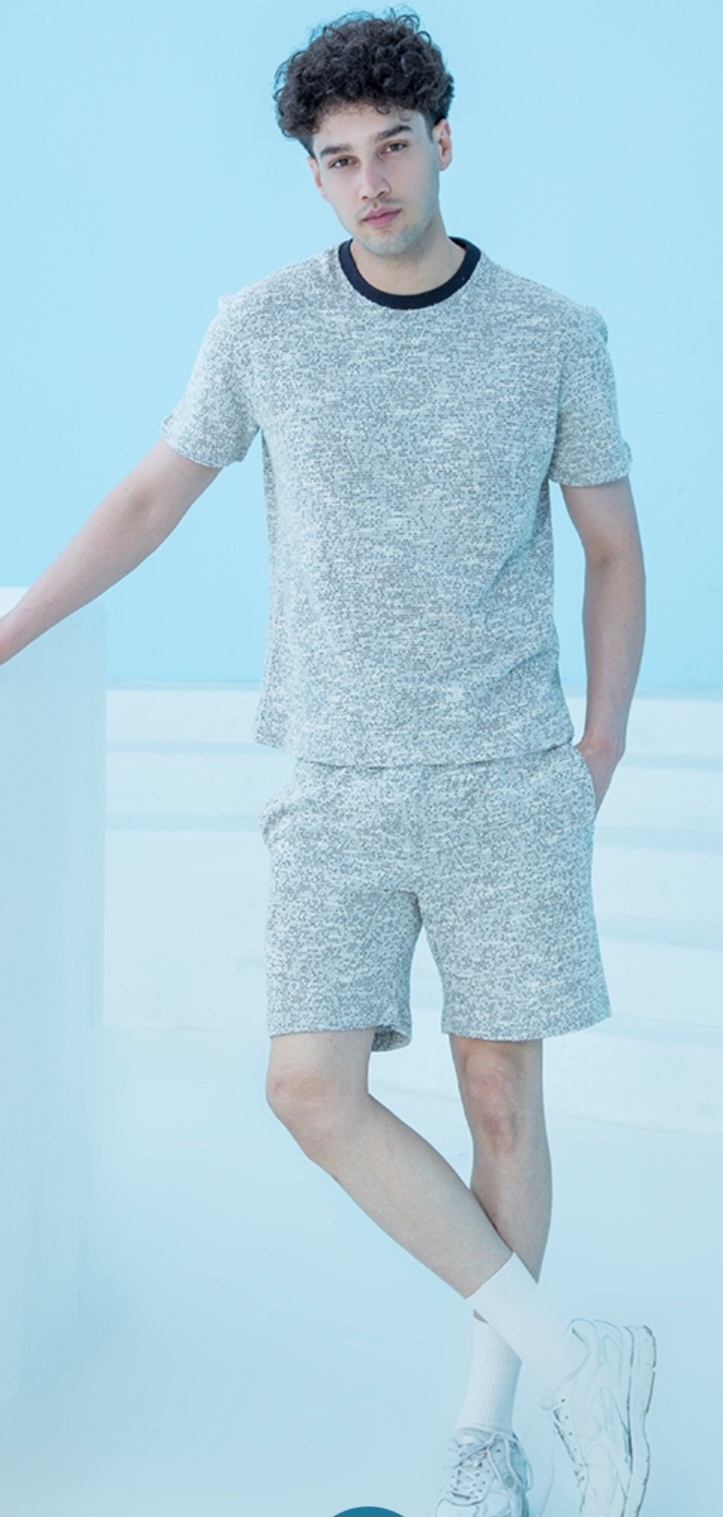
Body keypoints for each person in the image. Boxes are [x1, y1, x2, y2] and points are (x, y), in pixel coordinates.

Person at [0, 9, 655, 1515]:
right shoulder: (261, 326)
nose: (371, 182)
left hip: (506, 778)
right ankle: (579, 1362)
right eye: (339, 159)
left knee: (503, 1102)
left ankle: (485, 1444)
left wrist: (602, 744)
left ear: (444, 142)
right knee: (309, 1089)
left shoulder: (554, 333)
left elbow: (614, 551)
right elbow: (152, 498)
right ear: (312, 172)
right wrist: (14, 628)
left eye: (393, 148)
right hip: (338, 783)